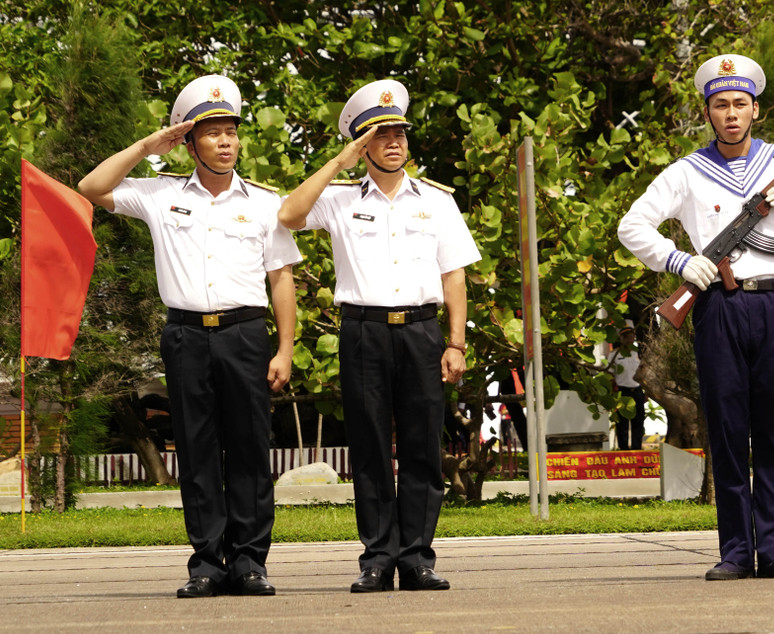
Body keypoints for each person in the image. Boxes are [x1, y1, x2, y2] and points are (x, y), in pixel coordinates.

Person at [617, 54, 774, 581]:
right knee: (729, 429)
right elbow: (633, 224)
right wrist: (681, 261)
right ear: (708, 113)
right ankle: (736, 550)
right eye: (720, 105)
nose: (730, 113)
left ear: (755, 109)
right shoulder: (687, 171)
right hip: (718, 307)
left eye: (739, 104)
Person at [78, 75, 299, 598]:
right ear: (190, 140)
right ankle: (207, 562)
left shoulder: (266, 203)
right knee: (197, 450)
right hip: (185, 336)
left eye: (232, 132)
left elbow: (281, 278)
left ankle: (249, 562)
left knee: (249, 448)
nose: (226, 142)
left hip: (245, 333)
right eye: (213, 132)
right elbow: (92, 187)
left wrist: (285, 348)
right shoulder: (160, 194)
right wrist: (147, 147)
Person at [278, 79, 481, 593]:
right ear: (361, 143)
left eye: (400, 133)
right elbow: (288, 214)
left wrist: (455, 343)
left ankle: (416, 558)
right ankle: (376, 559)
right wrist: (336, 165)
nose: (394, 142)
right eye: (380, 134)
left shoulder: (436, 202)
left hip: (420, 331)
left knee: (421, 448)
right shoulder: (340, 199)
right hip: (363, 331)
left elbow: (454, 275)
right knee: (369, 449)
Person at [612, 327, 647, 451]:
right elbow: (610, 374)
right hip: (622, 390)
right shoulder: (614, 354)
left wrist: (646, 392)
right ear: (621, 338)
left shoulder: (639, 353)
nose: (628, 339)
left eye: (631, 336)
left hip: (637, 390)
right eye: (625, 336)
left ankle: (637, 448)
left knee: (638, 421)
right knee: (622, 423)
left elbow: (645, 373)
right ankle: (623, 449)